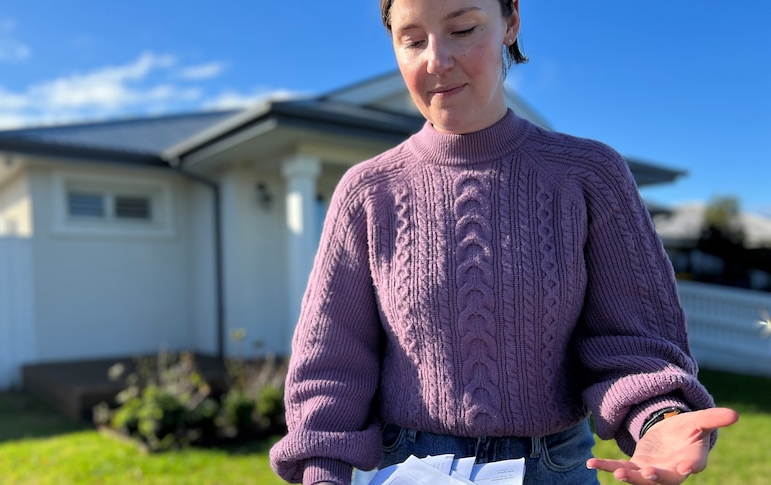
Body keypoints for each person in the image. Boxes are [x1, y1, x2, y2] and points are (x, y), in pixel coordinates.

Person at [269, 0, 739, 484]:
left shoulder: (589, 176)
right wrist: (322, 473)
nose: (436, 59)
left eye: (464, 28)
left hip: (555, 468)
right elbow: (333, 362)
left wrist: (659, 419)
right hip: (407, 467)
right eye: (412, 40)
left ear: (511, 22)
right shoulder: (368, 192)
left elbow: (634, 340)